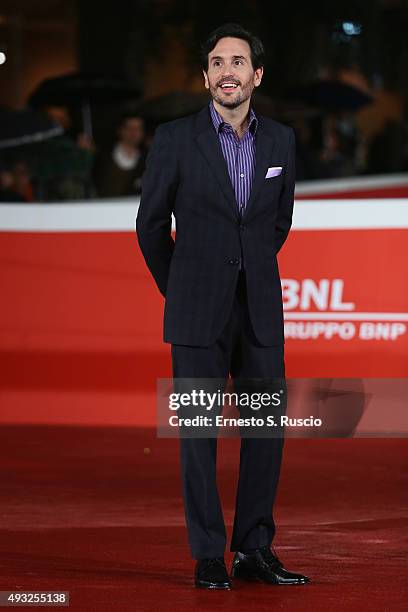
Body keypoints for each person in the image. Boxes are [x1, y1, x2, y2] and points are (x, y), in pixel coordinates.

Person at [136, 22, 310, 590]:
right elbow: (151, 227)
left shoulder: (282, 140)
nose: (227, 71)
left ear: (256, 75)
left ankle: (255, 549)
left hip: (259, 306)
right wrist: (182, 285)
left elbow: (277, 223)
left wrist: (249, 266)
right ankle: (209, 552)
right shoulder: (174, 138)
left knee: (265, 432)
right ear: (206, 74)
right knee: (198, 434)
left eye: (238, 62)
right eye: (217, 62)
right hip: (195, 311)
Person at [94, 113, 147, 198]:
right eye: (129, 128)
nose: (134, 132)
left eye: (138, 128)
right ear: (120, 130)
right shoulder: (103, 156)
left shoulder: (149, 159)